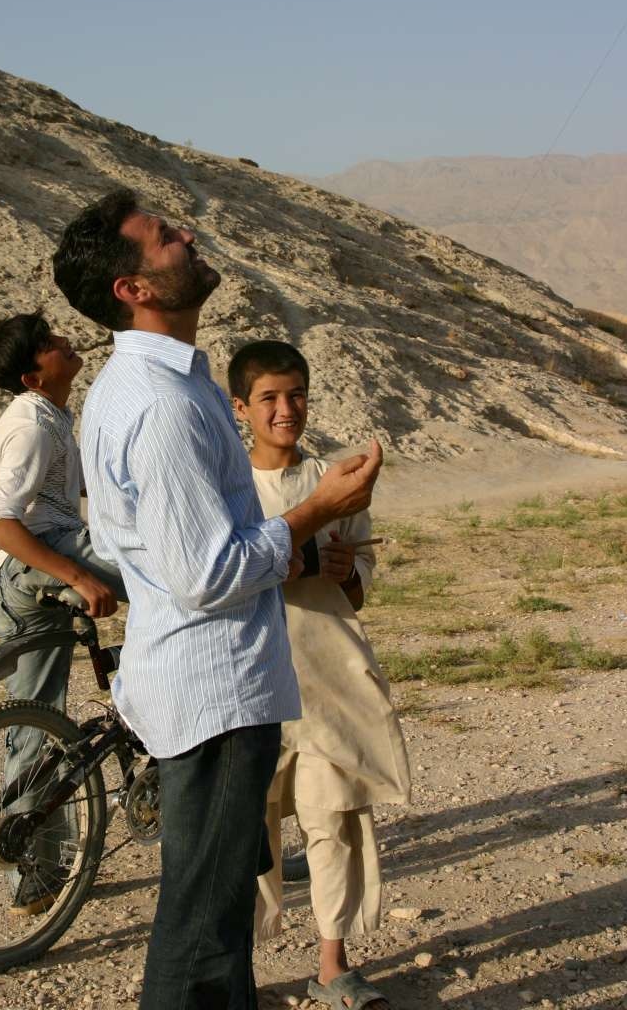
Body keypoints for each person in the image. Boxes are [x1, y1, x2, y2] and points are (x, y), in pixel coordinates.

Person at [52, 186, 384, 1010]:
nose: (187, 236)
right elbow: (207, 574)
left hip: (208, 686)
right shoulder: (162, 406)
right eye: (164, 238)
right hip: (216, 693)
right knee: (203, 928)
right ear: (132, 288)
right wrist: (316, 514)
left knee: (219, 910)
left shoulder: (159, 386)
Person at [228, 340, 411, 1010]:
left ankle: (333, 964)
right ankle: (236, 965)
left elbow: (358, 588)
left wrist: (345, 575)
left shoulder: (336, 484)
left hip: (327, 678)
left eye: (296, 394)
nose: (286, 410)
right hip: (249, 684)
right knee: (249, 831)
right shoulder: (227, 487)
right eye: (270, 398)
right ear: (240, 406)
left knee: (332, 822)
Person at [0, 310, 125, 914]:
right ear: (33, 374)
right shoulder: (30, 427)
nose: (63, 341)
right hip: (32, 568)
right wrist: (77, 574)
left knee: (44, 719)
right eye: (47, 344)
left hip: (44, 560)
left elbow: (96, 488)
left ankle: (48, 861)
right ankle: (30, 872)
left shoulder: (52, 418)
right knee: (35, 727)